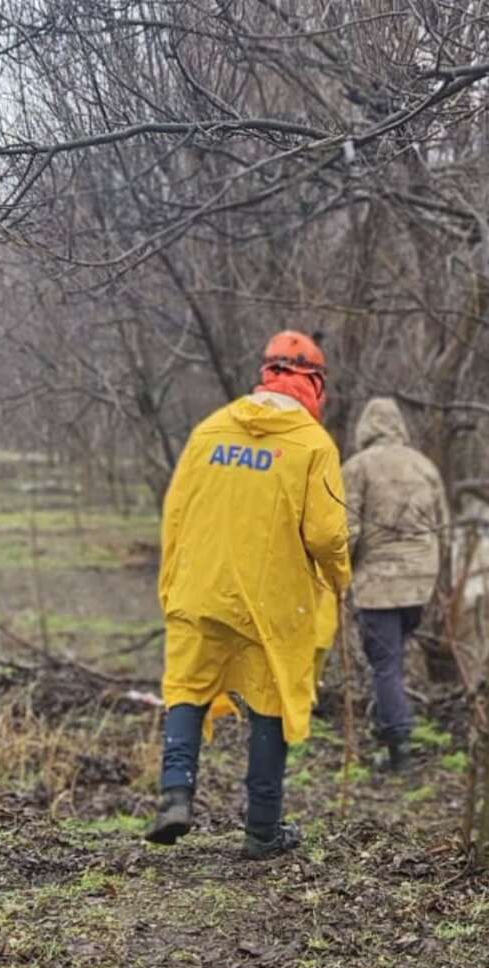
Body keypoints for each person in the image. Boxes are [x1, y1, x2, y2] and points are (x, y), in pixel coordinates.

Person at [146, 330, 351, 859]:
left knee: (188, 688)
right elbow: (328, 536)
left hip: (200, 589)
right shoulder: (312, 445)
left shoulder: (211, 430)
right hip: (271, 602)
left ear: (267, 374)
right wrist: (339, 577)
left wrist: (172, 582)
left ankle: (175, 793)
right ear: (314, 384)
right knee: (270, 702)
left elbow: (176, 512)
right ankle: (262, 831)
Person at [342, 396, 449, 771]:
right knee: (392, 659)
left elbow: (348, 530)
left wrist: (341, 574)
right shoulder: (425, 466)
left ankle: (399, 749)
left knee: (385, 665)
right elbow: (443, 528)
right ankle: (386, 725)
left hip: (379, 584)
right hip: (420, 581)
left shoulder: (358, 468)